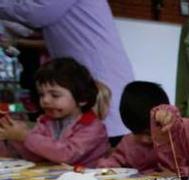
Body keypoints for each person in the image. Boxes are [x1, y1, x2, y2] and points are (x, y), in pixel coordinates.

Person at [0, 0, 135, 141]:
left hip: (98, 78)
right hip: (80, 80)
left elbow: (38, 13)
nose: (45, 100)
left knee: (100, 142)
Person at [0, 57, 107, 166]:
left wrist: (26, 136)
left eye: (55, 95)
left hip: (87, 179)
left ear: (82, 99)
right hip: (51, 178)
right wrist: (16, 137)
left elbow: (67, 155)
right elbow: (35, 157)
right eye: (41, 95)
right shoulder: (45, 122)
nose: (45, 100)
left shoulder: (92, 127)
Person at [96, 81, 168, 171]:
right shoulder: (128, 143)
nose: (144, 139)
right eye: (137, 132)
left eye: (148, 133)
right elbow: (115, 160)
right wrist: (106, 166)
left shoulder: (171, 142)